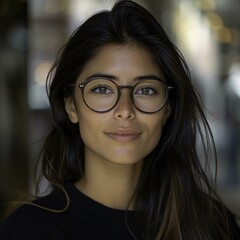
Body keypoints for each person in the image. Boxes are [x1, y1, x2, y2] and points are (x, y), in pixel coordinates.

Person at [0, 0, 239, 239]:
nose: (125, 110)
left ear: (168, 108)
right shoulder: (27, 230)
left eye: (146, 90)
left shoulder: (213, 226)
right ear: (71, 106)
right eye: (102, 89)